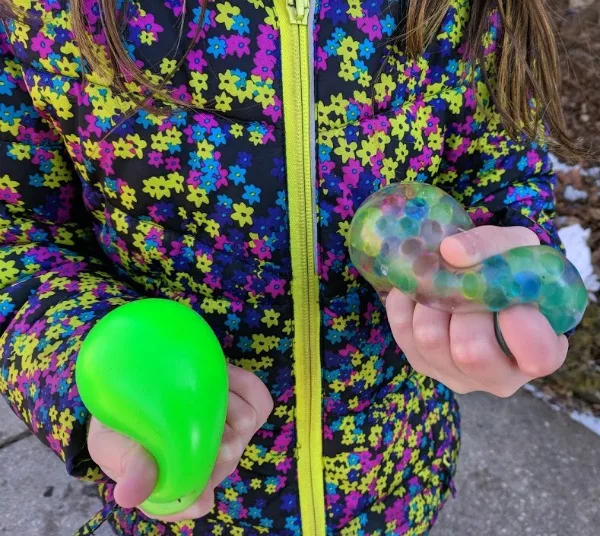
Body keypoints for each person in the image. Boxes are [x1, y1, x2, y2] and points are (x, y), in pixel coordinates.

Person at [0, 0, 580, 534]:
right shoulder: (44, 14)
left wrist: (506, 272)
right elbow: (17, 233)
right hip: (199, 507)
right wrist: (92, 367)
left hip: (393, 478)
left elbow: (500, 172)